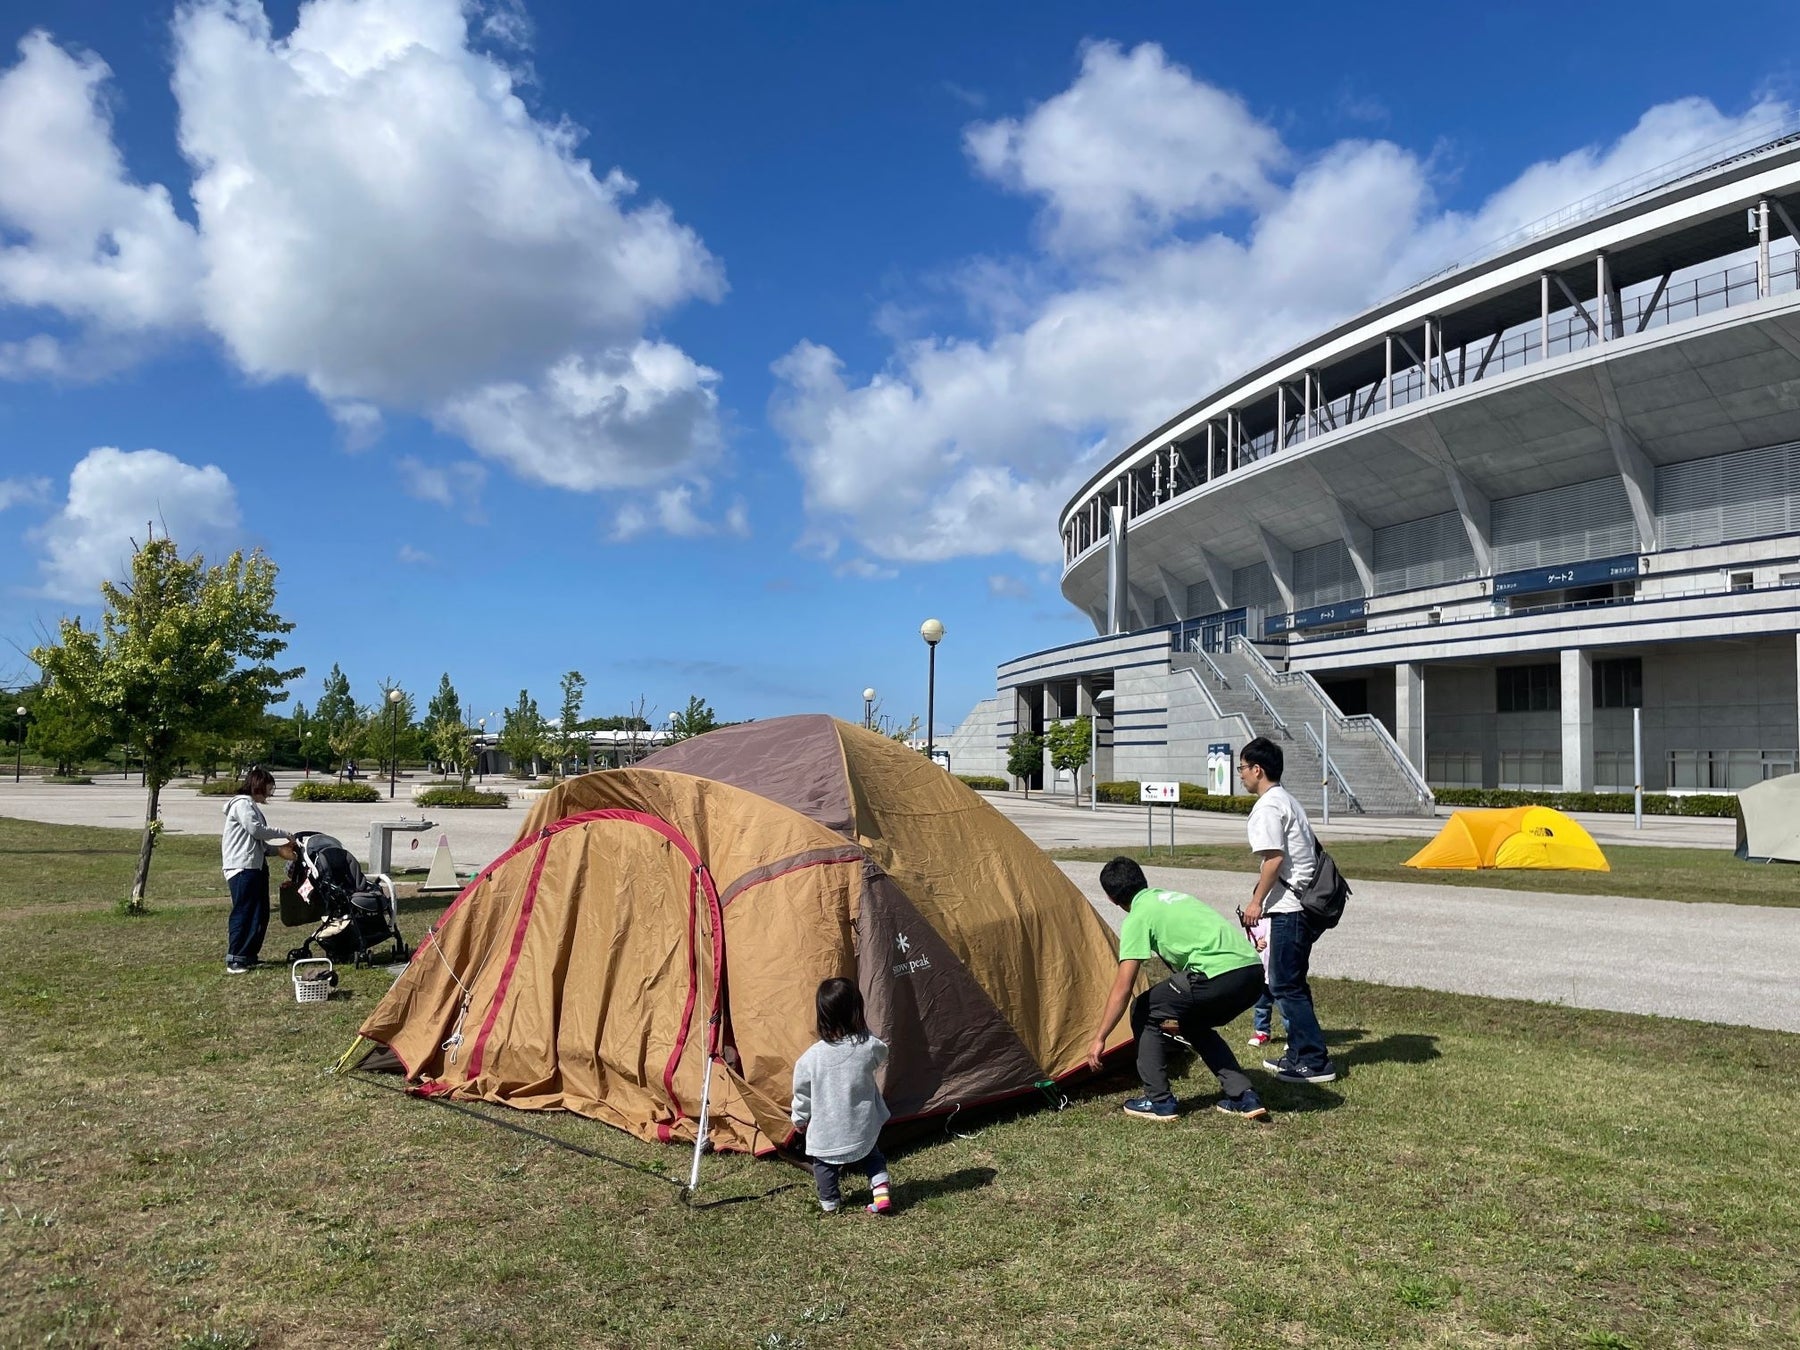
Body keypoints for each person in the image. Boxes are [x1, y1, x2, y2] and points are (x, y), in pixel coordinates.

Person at [1086, 857, 1269, 1122]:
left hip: (1215, 976)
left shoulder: (1139, 916)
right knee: (1192, 1023)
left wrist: (1101, 1036)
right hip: (1252, 974)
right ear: (1142, 880)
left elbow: (1123, 987)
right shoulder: (1176, 897)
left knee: (1144, 1008)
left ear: (1112, 898)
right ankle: (1243, 1096)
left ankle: (1159, 1101)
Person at [1238, 736, 1338, 1084]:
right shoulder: (1288, 801)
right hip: (1303, 905)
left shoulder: (1267, 806)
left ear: (1257, 769)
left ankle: (1313, 1060)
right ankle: (1298, 1052)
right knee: (1291, 981)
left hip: (1291, 909)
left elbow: (1274, 858)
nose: (1241, 776)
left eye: (1243, 768)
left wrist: (1256, 903)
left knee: (1283, 983)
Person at [790, 977, 895, 1215]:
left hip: (827, 1132)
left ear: (821, 1016)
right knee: (873, 1158)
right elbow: (883, 1051)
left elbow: (802, 1094)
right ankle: (880, 1191)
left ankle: (830, 1202)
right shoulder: (868, 1047)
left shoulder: (810, 1059)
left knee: (824, 1166)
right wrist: (863, 1033)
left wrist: (799, 1118)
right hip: (862, 1126)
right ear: (857, 1012)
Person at [220, 766, 295, 974]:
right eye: (270, 787)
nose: (271, 792)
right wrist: (283, 833)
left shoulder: (252, 806)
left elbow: (258, 843)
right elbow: (256, 830)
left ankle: (249, 956)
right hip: (242, 868)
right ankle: (235, 958)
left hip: (255, 866)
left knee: (259, 914)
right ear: (259, 785)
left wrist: (279, 850)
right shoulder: (242, 804)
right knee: (244, 912)